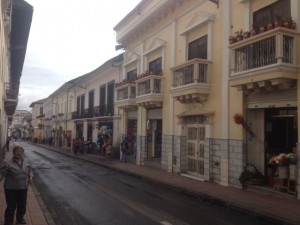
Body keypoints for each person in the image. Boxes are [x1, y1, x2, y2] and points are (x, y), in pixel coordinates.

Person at [0, 145, 33, 225]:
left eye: (20, 151)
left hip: (23, 187)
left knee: (22, 205)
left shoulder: (27, 161)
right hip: (11, 188)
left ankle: (20, 219)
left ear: (22, 153)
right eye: (17, 151)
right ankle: (8, 221)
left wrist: (31, 176)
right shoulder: (7, 163)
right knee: (11, 206)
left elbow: (30, 170)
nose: (19, 153)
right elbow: (1, 174)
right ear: (13, 153)